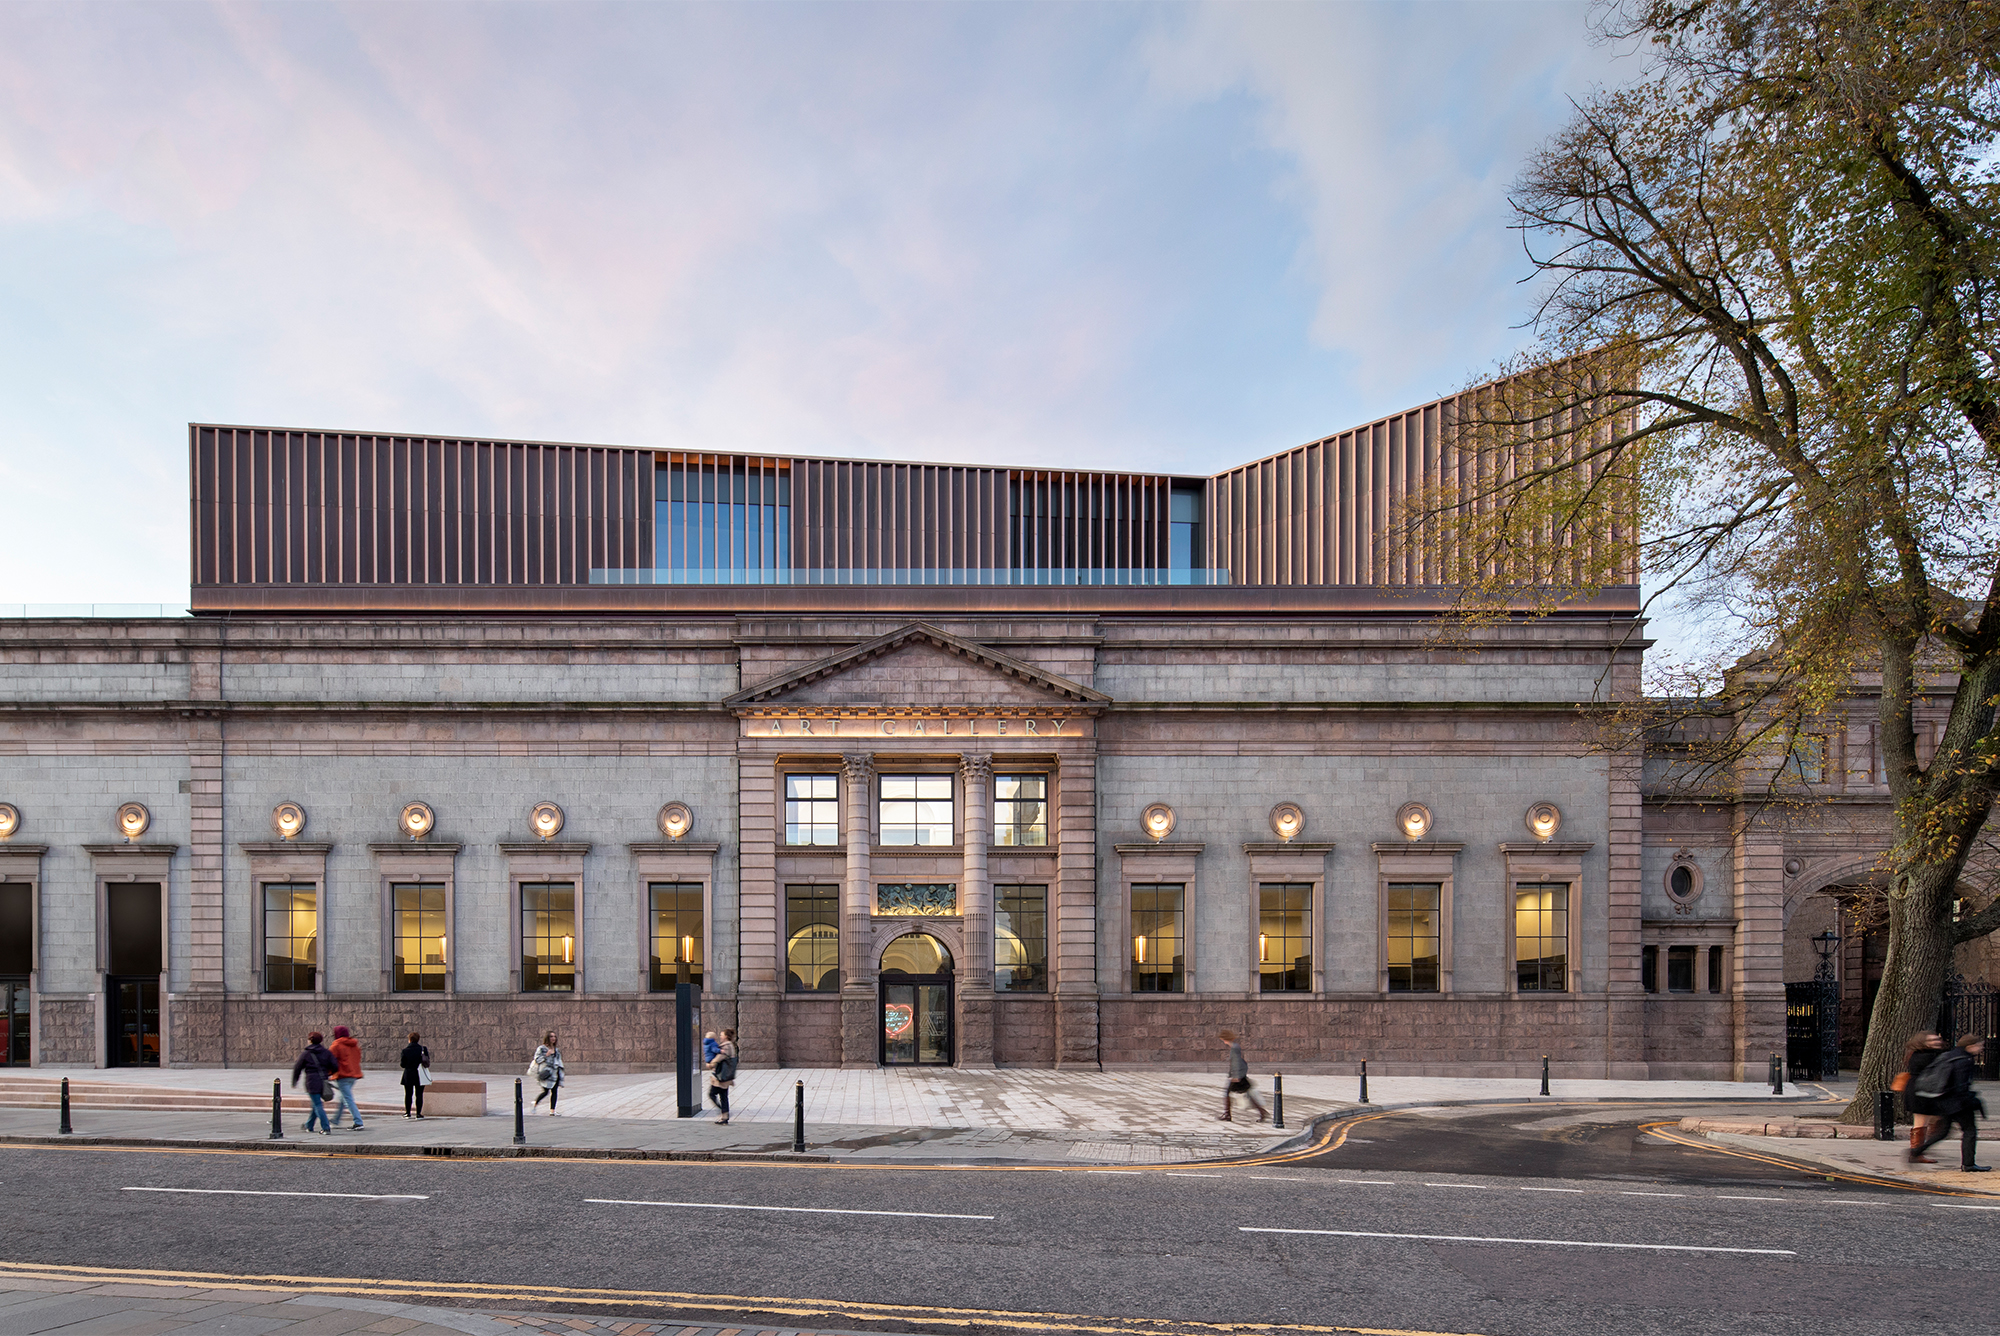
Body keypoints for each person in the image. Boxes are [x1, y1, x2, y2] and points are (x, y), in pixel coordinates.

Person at [1912, 1036, 1989, 1171]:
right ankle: (1968, 1164)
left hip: (1943, 1100)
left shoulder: (1949, 1055)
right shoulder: (1964, 1060)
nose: (1981, 1049)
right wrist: (1971, 1101)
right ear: (1970, 1046)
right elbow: (1961, 1086)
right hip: (1959, 1103)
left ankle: (1917, 1151)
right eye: (1979, 1045)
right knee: (1970, 1131)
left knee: (1943, 1132)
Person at [1902, 1031, 1946, 1158]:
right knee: (1921, 1123)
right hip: (1921, 1092)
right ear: (1922, 1043)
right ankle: (1916, 1152)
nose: (1936, 1042)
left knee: (1933, 1119)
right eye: (1931, 1041)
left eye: (1936, 1040)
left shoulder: (1916, 1054)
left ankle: (1921, 1148)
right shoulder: (1927, 1057)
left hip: (1918, 1089)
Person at [290, 1031, 337, 1135]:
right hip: (323, 1082)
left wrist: (294, 1081)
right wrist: (327, 1075)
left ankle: (325, 1127)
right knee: (316, 1104)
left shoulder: (306, 1054)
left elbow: (297, 1068)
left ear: (310, 1040)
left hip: (311, 1082)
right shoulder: (326, 1052)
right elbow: (335, 1066)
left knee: (317, 1104)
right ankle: (309, 1125)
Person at [1217, 1029, 1268, 1123]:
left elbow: (1237, 1062)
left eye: (1223, 1039)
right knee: (1248, 1094)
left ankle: (1228, 1115)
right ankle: (1262, 1112)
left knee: (1227, 1093)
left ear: (1225, 1038)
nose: (1223, 1041)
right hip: (1239, 1075)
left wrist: (1235, 1076)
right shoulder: (1234, 1046)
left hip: (1237, 1076)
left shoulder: (1234, 1047)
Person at [327, 1025, 366, 1130]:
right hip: (353, 1075)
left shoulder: (336, 1045)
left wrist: (327, 1073)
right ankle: (336, 1120)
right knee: (344, 1098)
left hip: (342, 1075)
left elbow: (329, 1060)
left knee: (348, 1099)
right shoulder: (354, 1045)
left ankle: (358, 1122)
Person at [706, 1028, 737, 1124]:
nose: (720, 1036)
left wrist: (710, 1064)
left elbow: (719, 1058)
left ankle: (722, 1111)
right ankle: (725, 1117)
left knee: (712, 1094)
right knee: (723, 1096)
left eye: (722, 1035)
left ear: (726, 1036)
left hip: (721, 1076)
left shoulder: (726, 1046)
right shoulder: (730, 1045)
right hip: (725, 1076)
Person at [531, 1031, 564, 1115]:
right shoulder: (541, 1048)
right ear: (547, 1038)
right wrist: (546, 1055)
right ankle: (535, 1103)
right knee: (545, 1092)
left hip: (555, 1073)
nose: (553, 1038)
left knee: (554, 1092)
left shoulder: (556, 1050)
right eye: (551, 1036)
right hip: (547, 1073)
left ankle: (552, 1111)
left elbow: (559, 1061)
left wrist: (561, 1072)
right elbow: (537, 1059)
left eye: (554, 1036)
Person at [400, 1031, 432, 1120]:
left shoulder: (405, 1051)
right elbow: (427, 1061)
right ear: (418, 1039)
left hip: (409, 1074)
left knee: (408, 1094)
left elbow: (402, 1064)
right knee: (419, 1094)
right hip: (420, 1074)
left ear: (409, 1040)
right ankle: (418, 1114)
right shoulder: (423, 1049)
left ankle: (408, 1113)